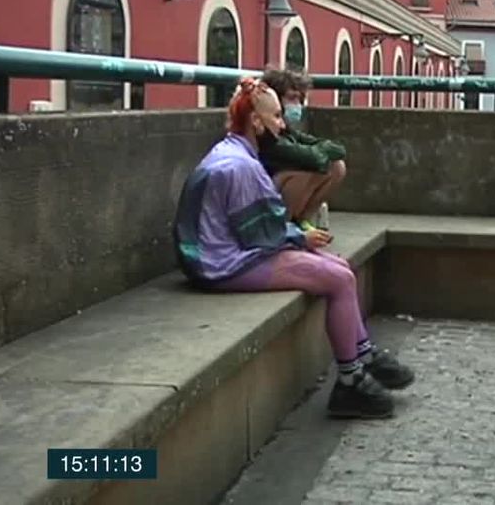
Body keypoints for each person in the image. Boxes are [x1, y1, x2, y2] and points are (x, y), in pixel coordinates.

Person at [172, 77, 415, 420]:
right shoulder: (241, 167)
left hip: (224, 254)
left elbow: (259, 228)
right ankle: (351, 380)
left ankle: (362, 355)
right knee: (339, 279)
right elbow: (258, 234)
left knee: (339, 267)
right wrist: (301, 240)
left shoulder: (235, 154)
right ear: (256, 122)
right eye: (275, 117)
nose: (282, 124)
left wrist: (304, 244)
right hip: (223, 264)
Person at [258, 68, 347, 230]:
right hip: (263, 200)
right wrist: (321, 151)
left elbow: (339, 150)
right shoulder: (265, 135)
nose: (296, 105)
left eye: (300, 99)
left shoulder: (286, 130)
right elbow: (312, 158)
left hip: (280, 190)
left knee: (337, 166)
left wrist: (322, 150)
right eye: (291, 98)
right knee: (305, 172)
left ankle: (302, 220)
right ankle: (283, 227)